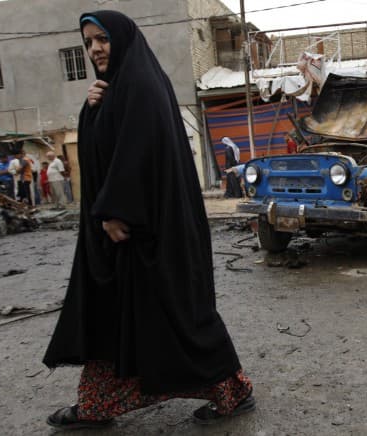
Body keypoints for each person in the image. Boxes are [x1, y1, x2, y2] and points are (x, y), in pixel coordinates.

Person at [43, 11, 254, 431]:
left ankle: (232, 391)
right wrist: (91, 113)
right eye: (88, 42)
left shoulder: (140, 85)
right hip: (125, 236)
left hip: (146, 233)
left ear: (122, 39)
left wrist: (117, 210)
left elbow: (140, 152)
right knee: (120, 319)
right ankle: (97, 404)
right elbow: (104, 151)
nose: (94, 49)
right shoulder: (118, 89)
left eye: (102, 38)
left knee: (175, 317)